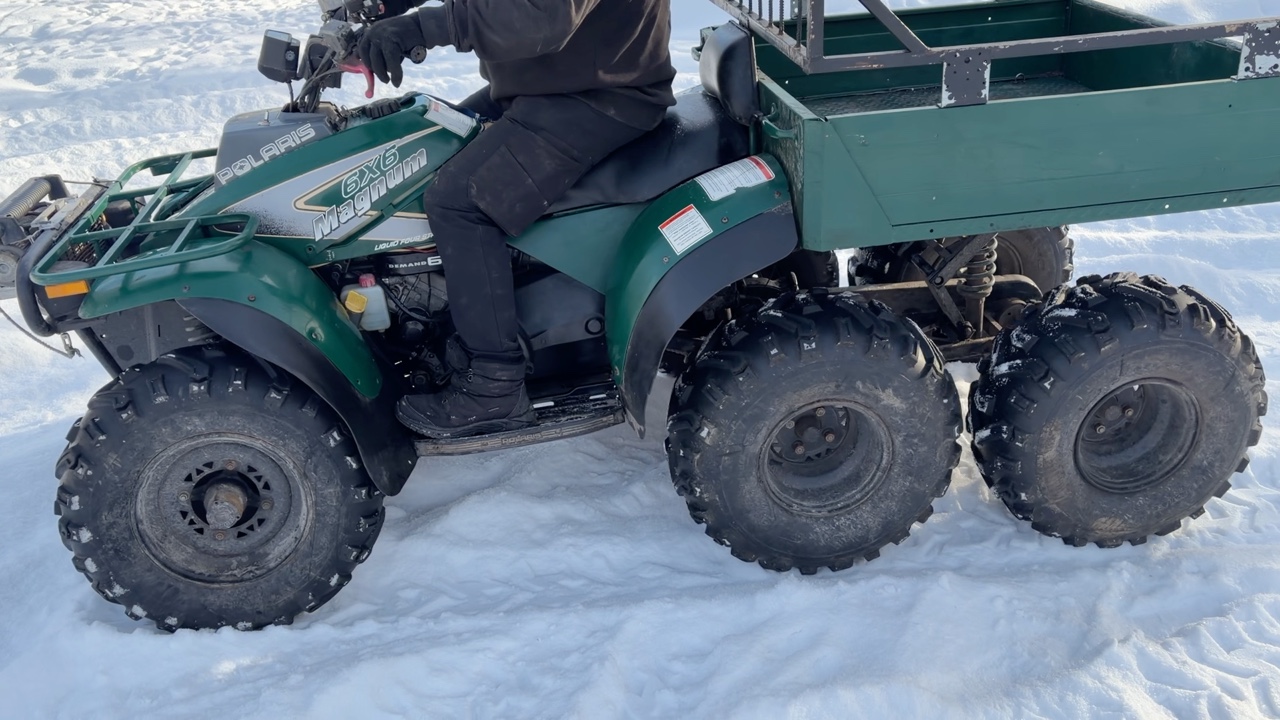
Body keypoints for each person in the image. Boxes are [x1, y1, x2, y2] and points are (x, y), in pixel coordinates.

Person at [355, 0, 676, 439]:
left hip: (603, 96)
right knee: (424, 149)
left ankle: (495, 386)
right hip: (552, 80)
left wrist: (426, 27)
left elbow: (543, 17)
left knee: (460, 201)